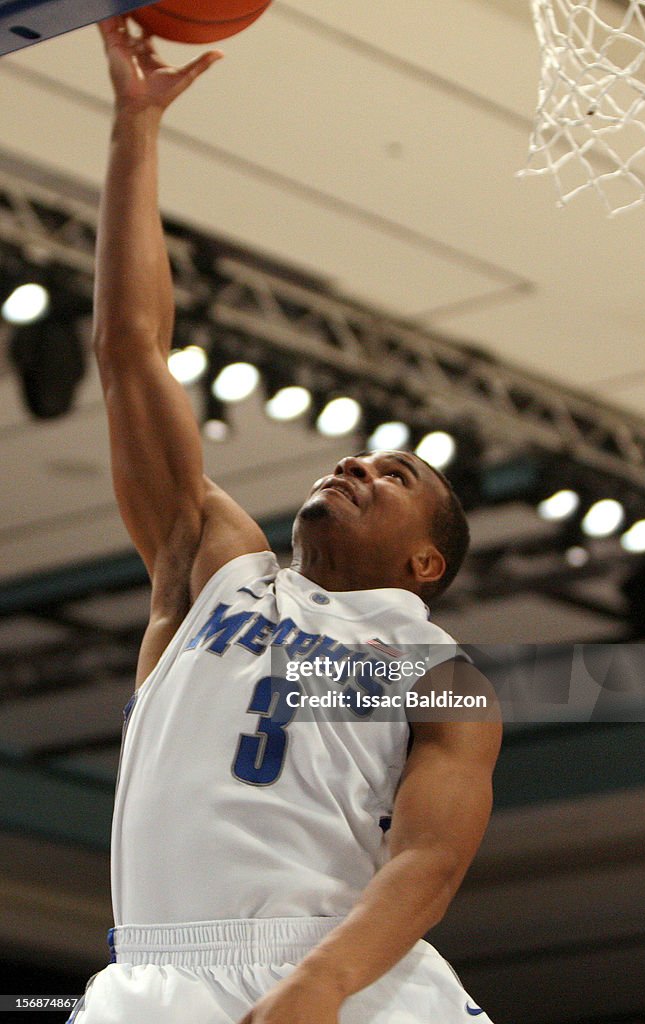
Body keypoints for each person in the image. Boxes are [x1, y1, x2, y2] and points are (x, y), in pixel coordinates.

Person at [67, 17, 502, 1024]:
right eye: (359, 456)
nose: (354, 462)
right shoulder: (212, 565)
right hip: (156, 979)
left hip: (343, 966)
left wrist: (320, 983)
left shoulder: (442, 673)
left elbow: (430, 860)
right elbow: (130, 345)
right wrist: (135, 129)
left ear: (424, 559)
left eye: (392, 475)